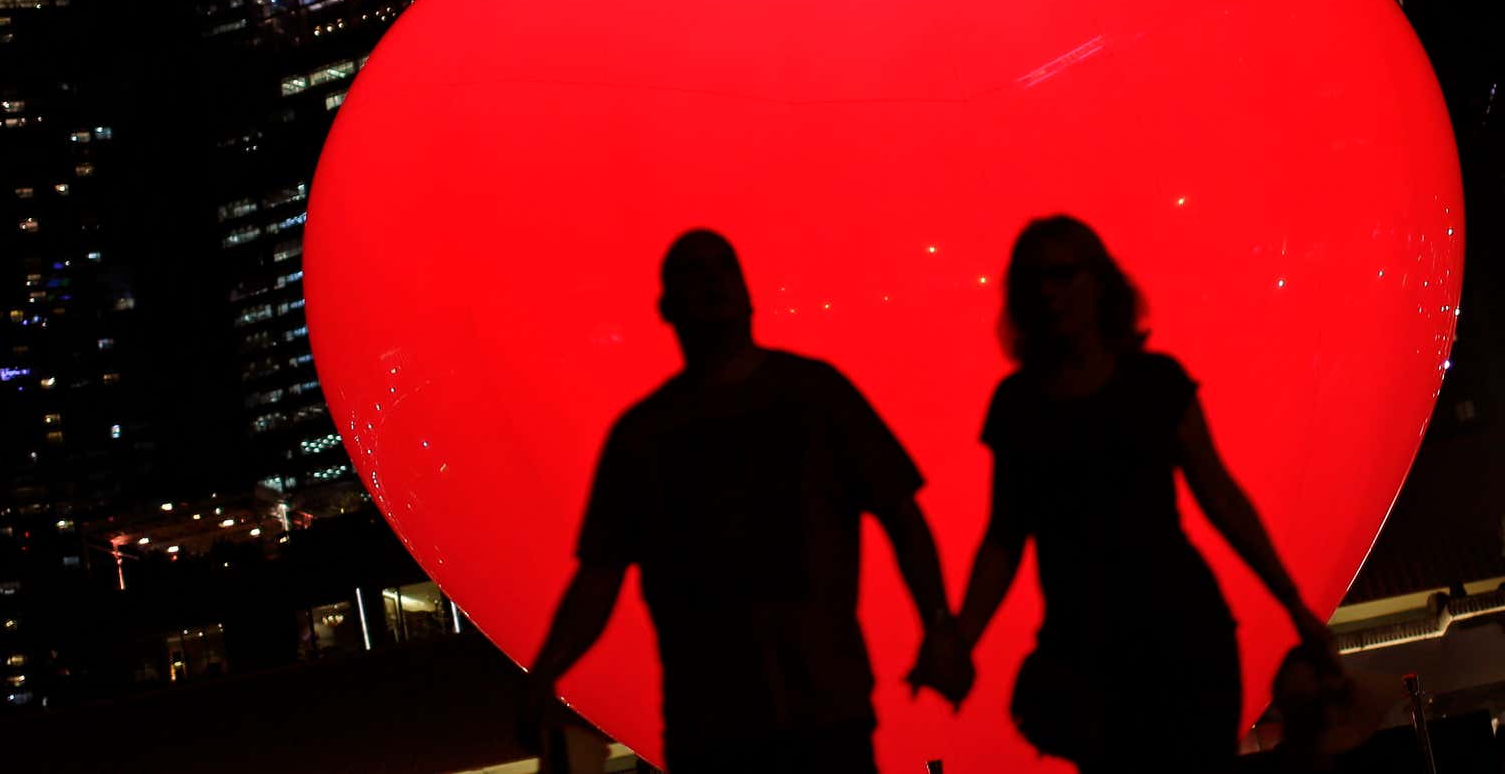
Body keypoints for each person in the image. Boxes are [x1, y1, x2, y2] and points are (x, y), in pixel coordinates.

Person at [524, 229, 971, 773]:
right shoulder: (660, 431)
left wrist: (940, 627)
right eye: (697, 271)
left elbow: (902, 516)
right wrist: (939, 628)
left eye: (722, 268)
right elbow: (599, 575)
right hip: (743, 717)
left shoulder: (796, 400)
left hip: (790, 711)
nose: (713, 281)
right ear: (668, 306)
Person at [954, 215, 1335, 773]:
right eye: (1035, 280)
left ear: (1098, 282)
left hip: (1174, 636)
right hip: (1098, 650)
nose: (1048, 293)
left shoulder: (1147, 385)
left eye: (1062, 275)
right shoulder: (1025, 405)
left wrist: (1294, 603)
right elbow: (1004, 537)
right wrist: (962, 637)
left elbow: (1221, 498)